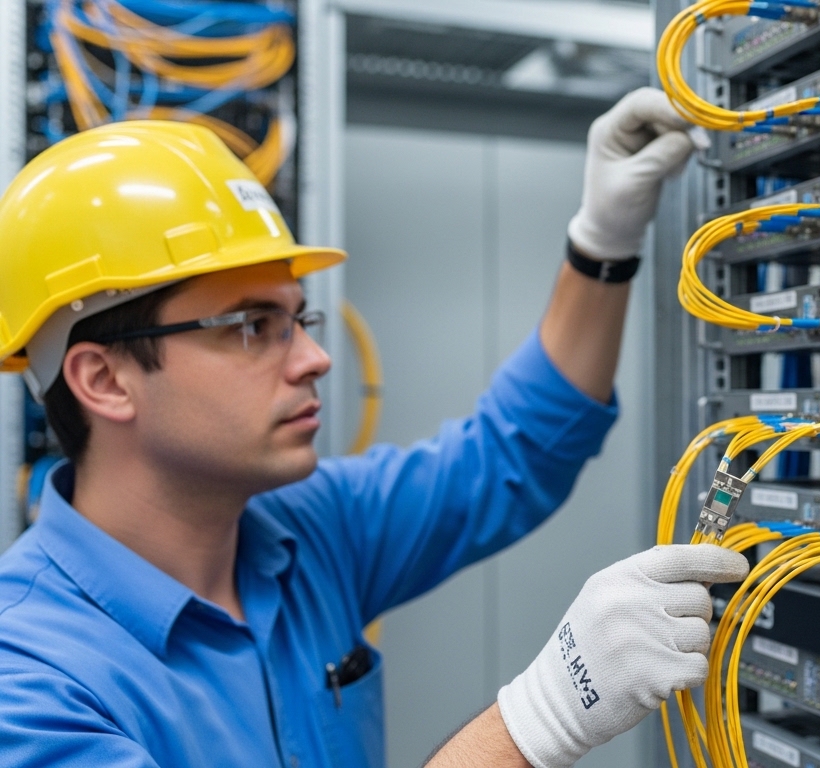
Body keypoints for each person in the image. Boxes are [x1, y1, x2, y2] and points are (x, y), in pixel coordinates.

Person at [0, 88, 747, 768]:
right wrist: (544, 715)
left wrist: (603, 242)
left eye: (299, 319)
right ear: (104, 379)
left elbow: (513, 453)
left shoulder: (303, 530)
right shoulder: (30, 681)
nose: (317, 358)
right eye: (254, 327)